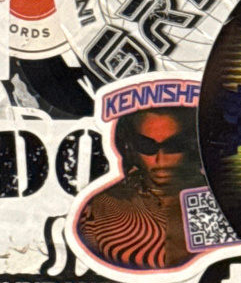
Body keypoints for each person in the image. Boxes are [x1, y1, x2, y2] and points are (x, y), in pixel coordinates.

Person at [73, 106, 200, 272]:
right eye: (146, 146)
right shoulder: (100, 208)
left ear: (192, 144)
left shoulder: (217, 201)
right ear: (130, 146)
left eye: (174, 145)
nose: (160, 160)